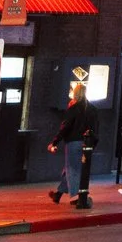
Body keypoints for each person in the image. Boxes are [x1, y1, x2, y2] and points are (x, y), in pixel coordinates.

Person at [47, 80, 94, 208]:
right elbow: (95, 126)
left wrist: (54, 142)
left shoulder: (73, 108)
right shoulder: (91, 108)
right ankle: (58, 194)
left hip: (73, 142)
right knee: (70, 168)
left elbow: (65, 127)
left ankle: (76, 197)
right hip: (87, 143)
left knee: (72, 169)